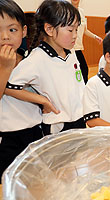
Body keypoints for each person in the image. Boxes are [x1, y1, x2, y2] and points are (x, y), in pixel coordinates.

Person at [6, 0, 86, 135]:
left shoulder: (71, 53)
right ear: (49, 29)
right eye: (70, 30)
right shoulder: (37, 59)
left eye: (76, 29)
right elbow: (9, 87)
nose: (75, 35)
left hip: (79, 118)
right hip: (58, 123)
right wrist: (43, 101)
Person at [0, 0, 43, 183]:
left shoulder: (30, 60)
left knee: (33, 181)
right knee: (8, 184)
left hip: (34, 132)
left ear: (24, 31)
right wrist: (4, 68)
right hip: (6, 137)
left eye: (12, 30)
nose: (5, 37)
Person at [71, 0, 102, 84]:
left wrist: (95, 37)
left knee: (84, 70)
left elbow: (85, 30)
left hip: (78, 47)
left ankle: (83, 89)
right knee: (80, 70)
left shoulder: (81, 11)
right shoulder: (66, 11)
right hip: (69, 48)